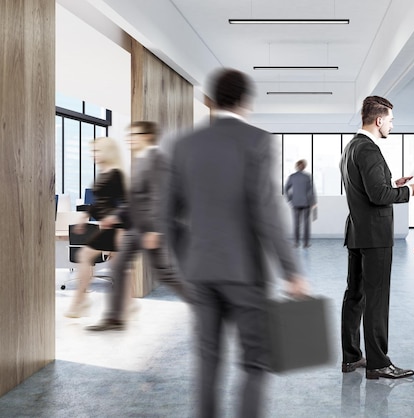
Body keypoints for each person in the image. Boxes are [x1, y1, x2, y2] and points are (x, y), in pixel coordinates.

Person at [164, 68, 310, 418]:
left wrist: (186, 263)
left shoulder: (184, 145)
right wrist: (292, 270)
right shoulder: (256, 140)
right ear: (246, 101)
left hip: (199, 272)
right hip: (244, 273)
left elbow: (167, 215)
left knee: (208, 363)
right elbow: (266, 211)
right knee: (255, 363)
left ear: (211, 100)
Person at [340, 95, 414, 380]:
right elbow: (378, 196)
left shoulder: (351, 147)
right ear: (379, 120)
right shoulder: (370, 150)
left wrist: (392, 184)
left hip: (357, 233)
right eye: (390, 120)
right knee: (376, 299)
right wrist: (408, 192)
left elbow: (370, 189)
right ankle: (378, 363)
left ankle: (351, 358)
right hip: (375, 237)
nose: (391, 124)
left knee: (355, 296)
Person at [86, 121, 189, 331]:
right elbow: (135, 200)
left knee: (165, 274)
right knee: (117, 265)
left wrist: (156, 230)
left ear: (147, 136)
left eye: (134, 134)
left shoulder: (157, 160)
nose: (129, 138)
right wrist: (115, 216)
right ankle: (114, 318)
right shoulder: (140, 161)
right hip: (136, 228)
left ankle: (204, 302)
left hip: (150, 228)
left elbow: (160, 198)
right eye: (129, 134)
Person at [65, 137, 126, 318]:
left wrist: (113, 217)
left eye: (97, 151)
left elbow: (127, 203)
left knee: (87, 255)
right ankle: (123, 306)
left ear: (107, 151)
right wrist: (84, 216)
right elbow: (98, 203)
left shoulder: (116, 174)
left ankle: (80, 302)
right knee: (117, 266)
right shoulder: (104, 173)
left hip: (116, 227)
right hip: (107, 226)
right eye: (93, 151)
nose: (94, 154)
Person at [284, 159, 317, 248]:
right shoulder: (307, 177)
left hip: (295, 203)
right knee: (306, 224)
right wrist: (313, 202)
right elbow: (311, 191)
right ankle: (305, 243)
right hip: (306, 203)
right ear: (304, 166)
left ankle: (296, 243)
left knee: (296, 223)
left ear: (296, 166)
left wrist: (290, 199)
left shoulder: (292, 177)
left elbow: (286, 189)